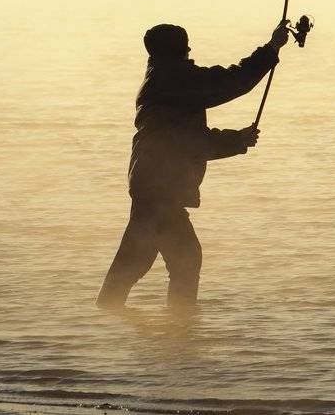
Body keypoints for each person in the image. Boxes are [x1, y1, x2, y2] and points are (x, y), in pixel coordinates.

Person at [96, 21, 290, 311]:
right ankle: (180, 327)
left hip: (152, 186)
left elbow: (188, 139)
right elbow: (231, 83)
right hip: (160, 190)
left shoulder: (163, 78)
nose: (189, 52)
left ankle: (109, 321)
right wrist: (271, 48)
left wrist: (236, 140)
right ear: (180, 50)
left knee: (137, 261)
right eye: (186, 47)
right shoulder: (173, 79)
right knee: (182, 258)